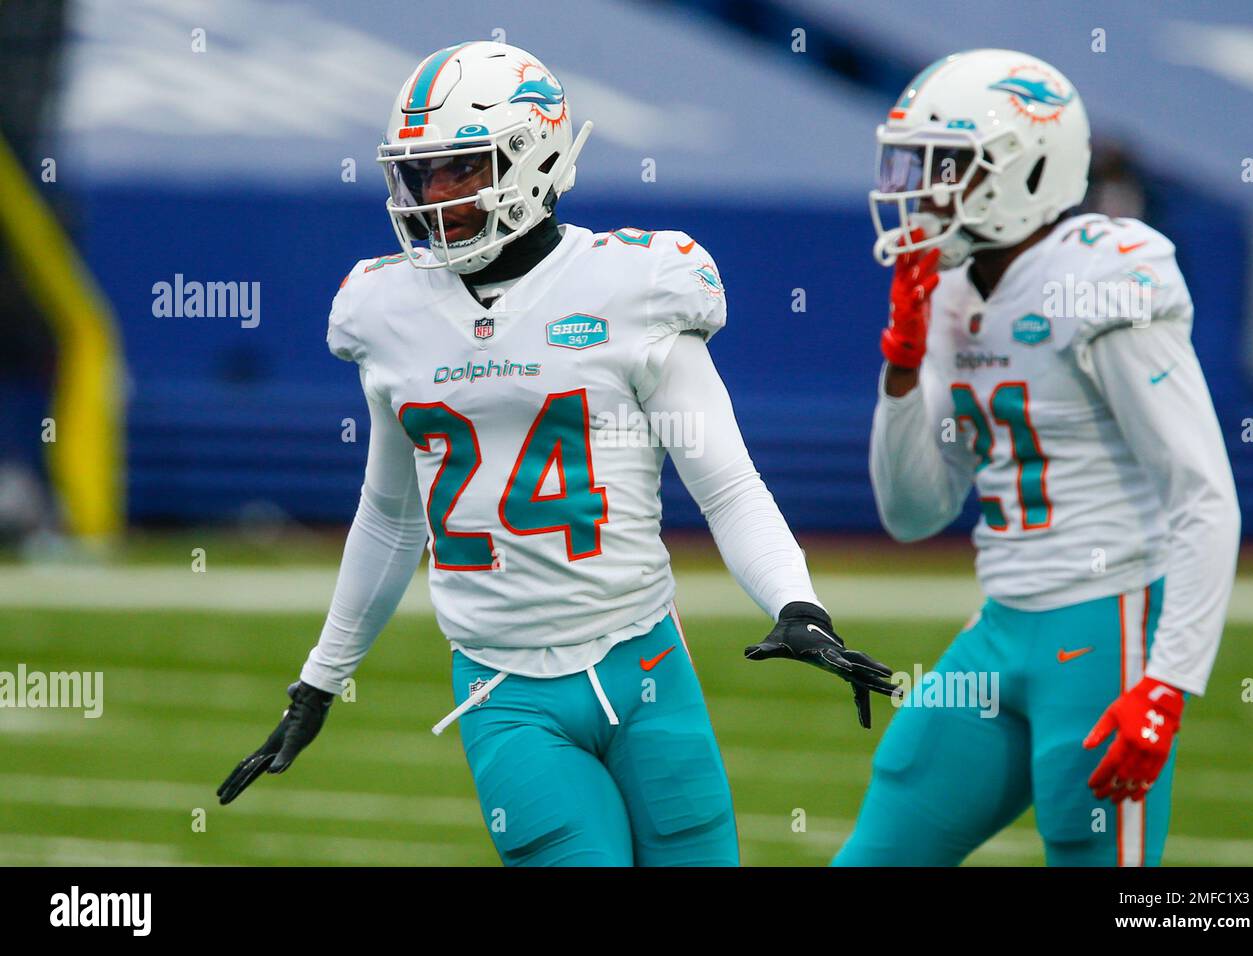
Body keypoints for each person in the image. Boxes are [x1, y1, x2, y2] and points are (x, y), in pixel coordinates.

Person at [216, 41, 895, 867]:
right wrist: (321, 677)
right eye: (421, 174)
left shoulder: (635, 287)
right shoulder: (385, 308)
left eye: (461, 169)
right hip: (503, 694)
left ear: (532, 157)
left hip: (646, 665)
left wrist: (798, 603)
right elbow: (393, 520)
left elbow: (727, 484)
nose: (436, 196)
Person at [837, 49, 1240, 866]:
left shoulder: (1101, 279)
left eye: (944, 166)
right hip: (1000, 624)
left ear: (1024, 170)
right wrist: (905, 372)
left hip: (1104, 626)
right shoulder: (949, 290)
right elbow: (912, 515)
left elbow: (1204, 495)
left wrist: (1167, 684)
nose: (920, 190)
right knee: (883, 836)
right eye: (914, 164)